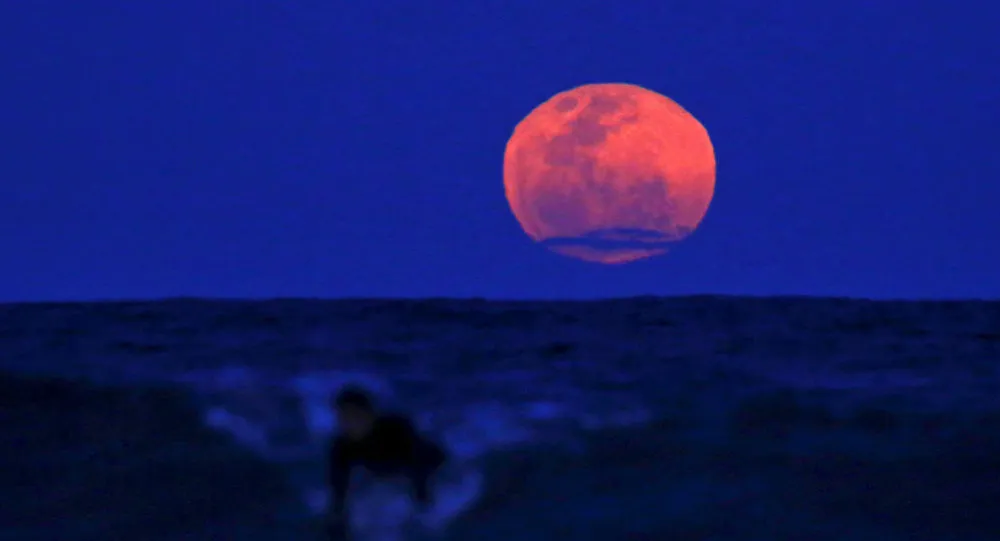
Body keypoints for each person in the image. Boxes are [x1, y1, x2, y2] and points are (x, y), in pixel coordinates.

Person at [326, 386, 448, 540]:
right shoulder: (342, 445)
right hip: (393, 474)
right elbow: (338, 487)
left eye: (355, 416)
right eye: (344, 418)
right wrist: (338, 520)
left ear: (370, 414)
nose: (350, 424)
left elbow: (420, 464)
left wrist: (422, 503)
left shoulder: (395, 429)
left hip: (435, 468)